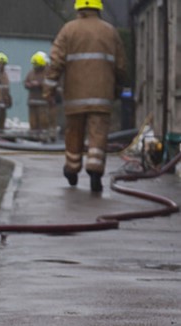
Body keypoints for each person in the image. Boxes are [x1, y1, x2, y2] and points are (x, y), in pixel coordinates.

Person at [42, 0, 127, 192]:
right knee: (98, 135)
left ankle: (72, 169)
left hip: (75, 96)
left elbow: (55, 62)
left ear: (78, 7)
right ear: (98, 8)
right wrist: (118, 88)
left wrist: (49, 89)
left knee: (74, 133)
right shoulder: (110, 31)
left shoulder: (68, 30)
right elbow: (121, 66)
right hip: (102, 95)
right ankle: (95, 170)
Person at [24, 51, 58, 142]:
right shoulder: (31, 72)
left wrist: (39, 84)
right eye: (34, 65)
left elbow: (50, 84)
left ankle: (44, 138)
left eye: (37, 65)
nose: (35, 67)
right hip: (32, 101)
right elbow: (25, 82)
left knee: (44, 122)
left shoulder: (47, 72)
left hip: (43, 102)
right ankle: (33, 138)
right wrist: (29, 84)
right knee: (33, 122)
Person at [0, 52, 12, 131]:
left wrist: (8, 99)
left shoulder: (5, 75)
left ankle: (0, 131)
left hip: (3, 102)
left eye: (3, 64)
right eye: (0, 63)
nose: (2, 66)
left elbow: (6, 89)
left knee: (1, 120)